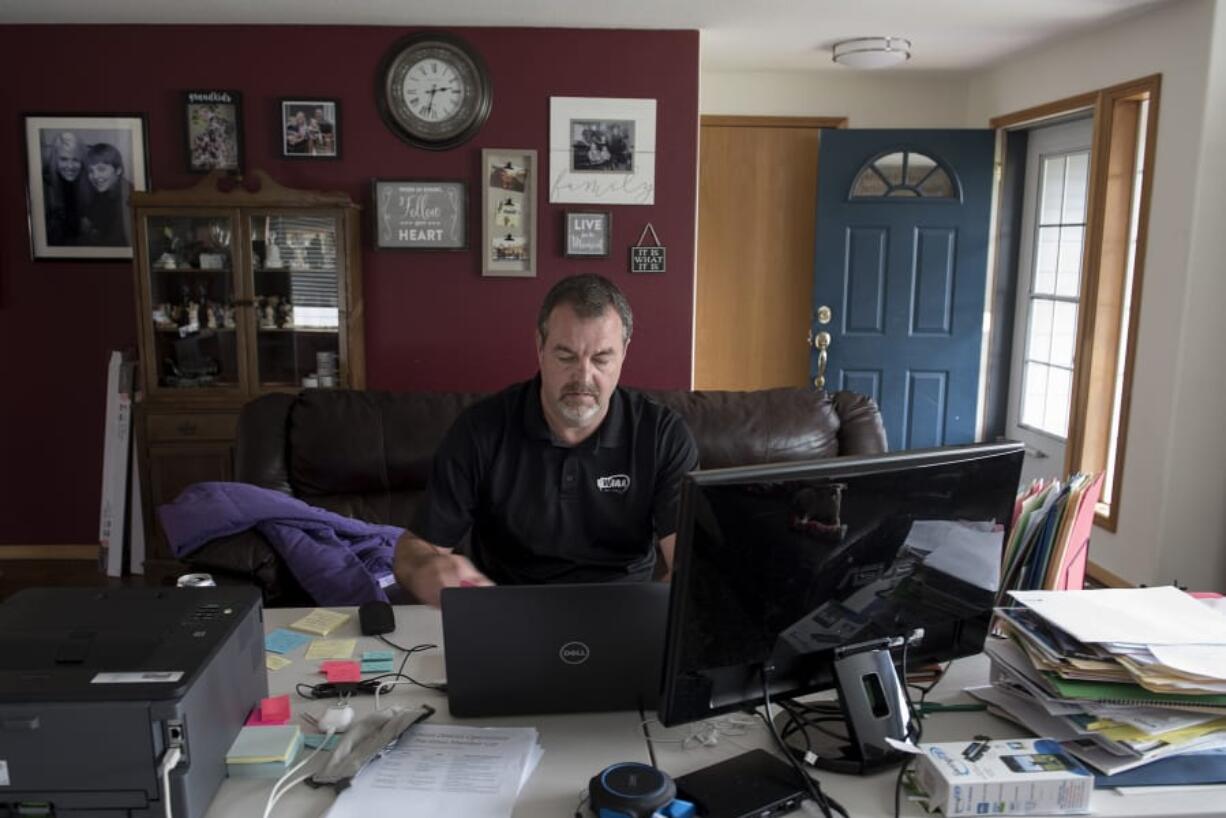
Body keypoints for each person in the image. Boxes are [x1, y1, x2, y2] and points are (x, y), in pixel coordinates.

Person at [393, 274, 699, 606]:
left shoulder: (662, 434)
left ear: (624, 353)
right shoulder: (480, 429)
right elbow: (413, 550)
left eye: (601, 359)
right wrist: (425, 569)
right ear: (540, 347)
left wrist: (672, 607)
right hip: (506, 614)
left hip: (625, 613)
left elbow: (692, 558)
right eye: (566, 356)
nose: (583, 377)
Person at [79, 142, 132, 247]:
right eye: (91, 171)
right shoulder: (102, 190)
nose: (95, 176)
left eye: (101, 169)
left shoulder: (129, 197)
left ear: (118, 170)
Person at [42, 131, 87, 246]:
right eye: (64, 159)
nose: (70, 166)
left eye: (75, 160)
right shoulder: (44, 187)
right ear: (55, 160)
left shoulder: (89, 182)